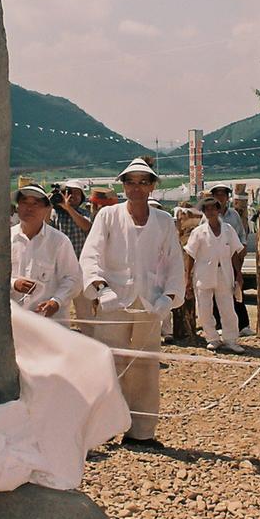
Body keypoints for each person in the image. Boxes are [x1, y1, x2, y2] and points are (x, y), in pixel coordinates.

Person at [80, 157, 184, 447]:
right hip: (114, 302)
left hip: (149, 303)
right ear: (123, 185)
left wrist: (169, 296)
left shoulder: (163, 220)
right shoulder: (108, 216)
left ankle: (141, 431)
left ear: (152, 186)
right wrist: (101, 289)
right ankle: (102, 428)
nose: (136, 188)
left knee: (146, 367)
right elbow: (91, 255)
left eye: (143, 182)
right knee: (109, 363)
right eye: (130, 182)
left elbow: (175, 262)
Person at [10, 184, 82, 322]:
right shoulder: (6, 239)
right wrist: (14, 283)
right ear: (18, 207)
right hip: (13, 320)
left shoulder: (59, 241)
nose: (29, 208)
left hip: (50, 322)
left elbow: (73, 278)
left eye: (36, 203)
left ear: (47, 209)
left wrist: (56, 301)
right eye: (24, 202)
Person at [185, 191, 245, 352]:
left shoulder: (228, 230)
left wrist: (239, 274)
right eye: (207, 209)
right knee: (204, 309)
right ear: (204, 212)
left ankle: (231, 339)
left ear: (218, 210)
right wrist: (187, 278)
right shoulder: (198, 232)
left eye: (213, 208)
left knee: (228, 308)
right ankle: (212, 337)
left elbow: (234, 253)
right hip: (203, 274)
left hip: (224, 273)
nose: (210, 212)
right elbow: (190, 255)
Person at [204, 182, 253, 336]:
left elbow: (241, 233)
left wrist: (243, 246)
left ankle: (243, 324)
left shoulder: (234, 215)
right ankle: (219, 324)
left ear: (227, 197)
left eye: (223, 195)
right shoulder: (207, 215)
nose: (220, 197)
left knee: (236, 288)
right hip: (214, 260)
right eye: (217, 194)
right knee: (216, 291)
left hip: (232, 257)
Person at [50, 179, 93, 323]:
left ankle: (90, 341)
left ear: (82, 197)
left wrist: (69, 208)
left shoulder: (84, 213)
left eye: (76, 193)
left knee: (85, 312)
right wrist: (47, 205)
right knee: (58, 310)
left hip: (80, 269)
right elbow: (43, 226)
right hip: (57, 270)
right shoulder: (53, 213)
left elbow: (87, 226)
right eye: (68, 192)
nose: (72, 196)